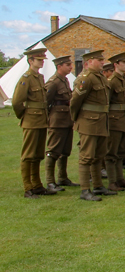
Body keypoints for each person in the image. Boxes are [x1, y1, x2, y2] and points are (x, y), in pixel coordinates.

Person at [12, 47, 57, 199]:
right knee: (28, 155)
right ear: (30, 61)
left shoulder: (39, 77)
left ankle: (37, 185)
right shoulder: (26, 78)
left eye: (42, 60)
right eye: (39, 60)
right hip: (31, 121)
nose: (42, 62)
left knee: (37, 154)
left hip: (41, 121)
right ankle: (28, 188)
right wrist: (25, 116)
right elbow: (17, 102)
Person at [70, 49, 113, 201]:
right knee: (86, 156)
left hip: (101, 121)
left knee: (98, 155)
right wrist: (77, 119)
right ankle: (85, 190)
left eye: (102, 60)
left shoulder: (100, 78)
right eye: (99, 60)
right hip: (88, 122)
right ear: (89, 62)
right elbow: (75, 102)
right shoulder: (86, 79)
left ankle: (98, 186)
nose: (102, 62)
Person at [44, 55, 77, 191]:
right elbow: (45, 102)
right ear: (59, 66)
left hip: (67, 120)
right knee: (53, 151)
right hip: (57, 121)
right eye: (67, 65)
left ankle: (62, 177)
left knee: (65, 151)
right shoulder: (53, 82)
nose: (71, 67)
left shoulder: (65, 80)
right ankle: (50, 181)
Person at [105, 52, 125, 192]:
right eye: (124, 63)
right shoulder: (112, 81)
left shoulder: (123, 80)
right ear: (116, 64)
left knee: (121, 152)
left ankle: (120, 179)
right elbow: (106, 103)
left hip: (123, 119)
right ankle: (112, 182)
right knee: (111, 153)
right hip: (114, 121)